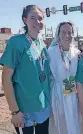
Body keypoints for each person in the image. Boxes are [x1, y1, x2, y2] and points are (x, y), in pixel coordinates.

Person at [0, 5, 50, 134]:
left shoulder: (42, 43)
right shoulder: (16, 42)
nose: (37, 22)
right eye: (32, 18)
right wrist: (15, 111)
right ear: (24, 20)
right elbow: (6, 79)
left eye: (40, 18)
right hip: (25, 111)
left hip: (43, 108)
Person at [48, 21, 83, 134]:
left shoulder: (76, 53)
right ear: (58, 34)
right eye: (63, 32)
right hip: (58, 94)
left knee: (75, 121)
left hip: (73, 94)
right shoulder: (50, 52)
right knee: (61, 123)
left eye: (69, 32)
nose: (67, 35)